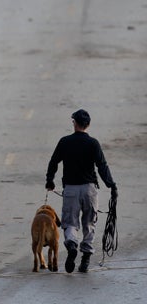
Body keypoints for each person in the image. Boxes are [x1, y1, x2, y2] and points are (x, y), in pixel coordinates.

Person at [45, 109, 118, 273]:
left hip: (70, 189)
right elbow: (102, 166)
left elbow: (53, 162)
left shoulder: (64, 142)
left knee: (70, 222)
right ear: (88, 125)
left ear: (74, 123)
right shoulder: (93, 143)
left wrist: (50, 181)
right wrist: (111, 185)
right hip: (89, 190)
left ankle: (71, 244)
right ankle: (85, 258)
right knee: (89, 223)